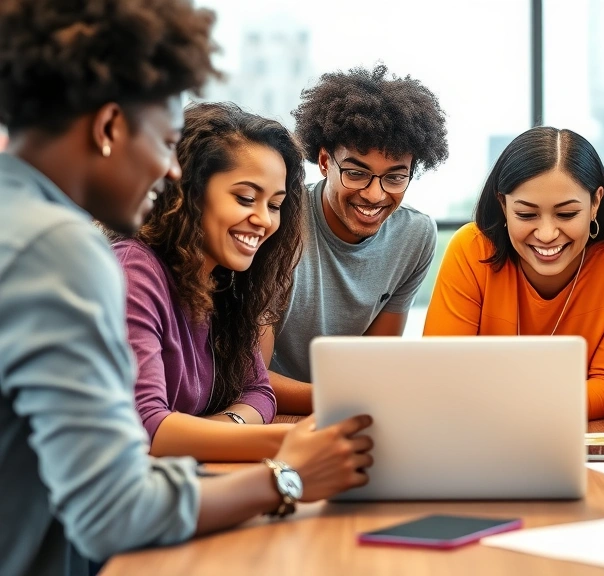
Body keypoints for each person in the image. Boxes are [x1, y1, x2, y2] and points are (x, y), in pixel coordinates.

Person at [0, 3, 373, 575]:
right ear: (108, 128)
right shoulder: (59, 249)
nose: (173, 173)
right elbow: (115, 508)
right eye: (166, 141)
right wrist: (288, 474)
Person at [423, 126, 604, 420]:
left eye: (566, 214)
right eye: (526, 214)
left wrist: (506, 403)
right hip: (480, 435)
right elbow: (442, 377)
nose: (547, 234)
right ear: (503, 205)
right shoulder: (470, 248)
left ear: (595, 203)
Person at [112, 102, 304, 462]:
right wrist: (292, 441)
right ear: (190, 191)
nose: (264, 220)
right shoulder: (133, 271)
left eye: (275, 204)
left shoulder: (226, 282)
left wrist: (222, 427)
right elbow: (146, 428)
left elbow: (259, 392)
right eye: (246, 198)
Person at [262, 64, 449, 415]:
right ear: (323, 161)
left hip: (350, 415)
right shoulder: (277, 219)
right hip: (271, 414)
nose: (375, 195)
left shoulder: (415, 236)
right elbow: (251, 378)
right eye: (357, 173)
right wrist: (352, 402)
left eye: (395, 177)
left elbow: (375, 366)